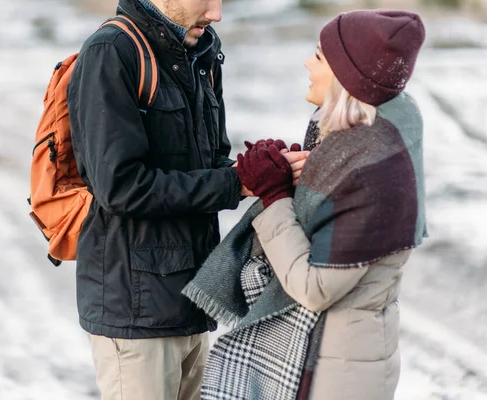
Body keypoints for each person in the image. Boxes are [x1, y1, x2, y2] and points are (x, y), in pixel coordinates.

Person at [183, 9, 427, 400]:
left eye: (318, 55)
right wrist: (296, 177)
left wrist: (275, 195)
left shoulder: (368, 171)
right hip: (331, 353)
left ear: (346, 77)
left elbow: (314, 287)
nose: (306, 63)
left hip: (341, 371)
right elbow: (325, 209)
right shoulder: (350, 149)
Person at [66, 0, 253, 398]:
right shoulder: (111, 52)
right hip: (136, 314)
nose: (217, 13)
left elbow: (210, 159)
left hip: (191, 303)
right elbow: (121, 186)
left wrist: (257, 170)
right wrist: (235, 183)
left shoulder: (200, 52)